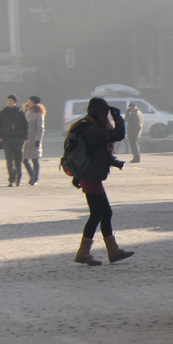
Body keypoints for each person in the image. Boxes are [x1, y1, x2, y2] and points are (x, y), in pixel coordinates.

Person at [69, 97, 134, 266]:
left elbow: (93, 152)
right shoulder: (94, 129)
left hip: (89, 176)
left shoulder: (84, 126)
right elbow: (119, 134)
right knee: (98, 213)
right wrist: (117, 116)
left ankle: (112, 251)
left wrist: (113, 162)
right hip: (90, 177)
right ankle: (84, 253)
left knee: (105, 213)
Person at [1, 94, 28, 186]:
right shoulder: (3, 113)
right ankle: (11, 180)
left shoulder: (20, 113)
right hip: (7, 139)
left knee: (18, 161)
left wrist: (25, 137)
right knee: (9, 161)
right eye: (8, 101)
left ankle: (18, 179)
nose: (9, 102)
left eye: (11, 101)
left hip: (18, 139)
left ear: (15, 102)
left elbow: (25, 125)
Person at [22, 96, 45, 185]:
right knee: (24, 159)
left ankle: (35, 179)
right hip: (26, 139)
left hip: (34, 139)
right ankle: (32, 175)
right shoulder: (26, 112)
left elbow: (40, 128)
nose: (29, 103)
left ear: (35, 103)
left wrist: (38, 140)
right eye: (28, 101)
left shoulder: (38, 114)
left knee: (35, 160)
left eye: (31, 102)